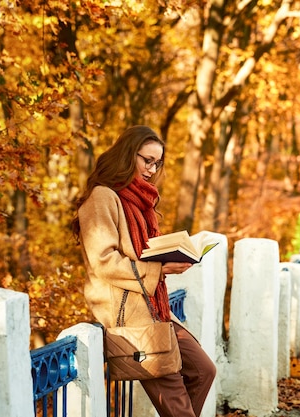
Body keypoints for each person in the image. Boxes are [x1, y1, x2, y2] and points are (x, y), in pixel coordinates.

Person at [71, 125, 216, 417]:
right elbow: (103, 261)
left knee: (203, 370)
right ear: (128, 154)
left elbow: (143, 252)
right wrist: (158, 270)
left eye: (157, 163)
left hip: (156, 310)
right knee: (179, 407)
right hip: (131, 318)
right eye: (146, 160)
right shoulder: (102, 197)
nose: (151, 169)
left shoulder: (142, 201)